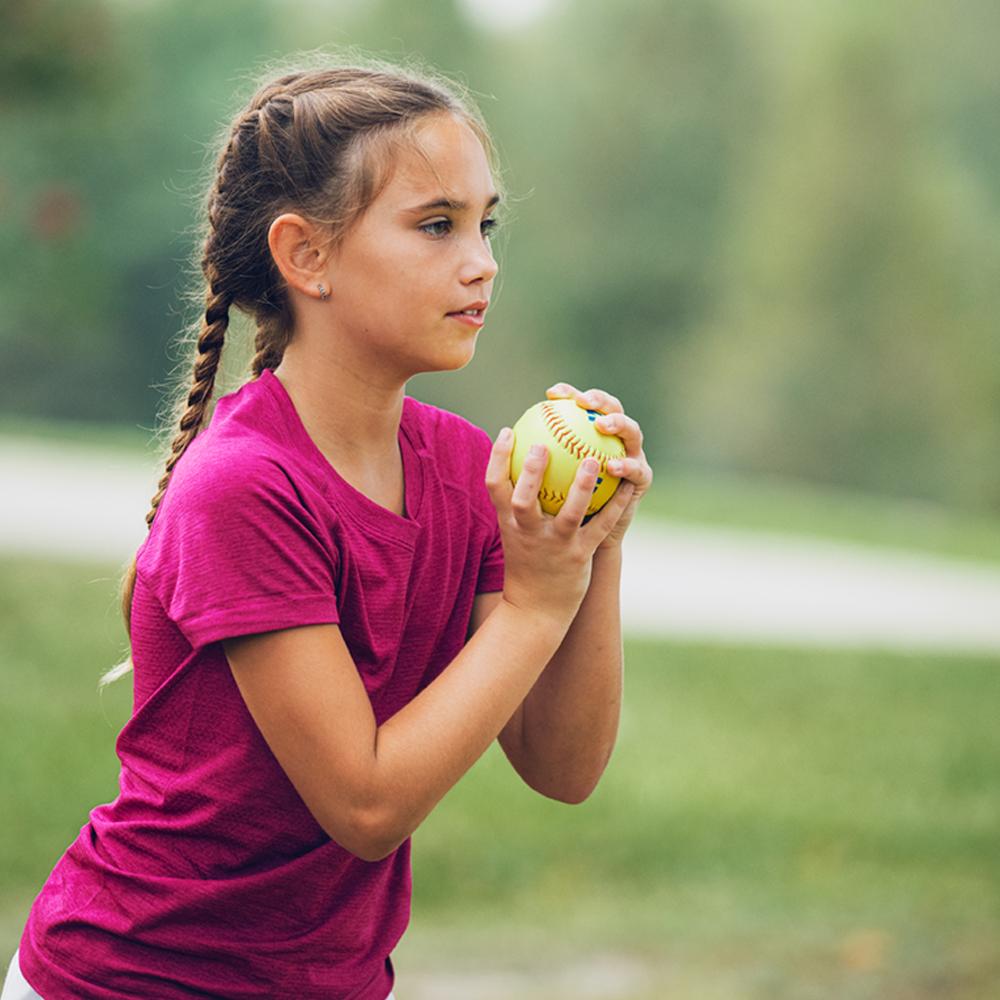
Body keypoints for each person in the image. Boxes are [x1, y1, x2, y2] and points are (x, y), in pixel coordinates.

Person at [4, 52, 652, 999]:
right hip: (132, 979)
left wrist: (595, 545)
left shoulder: (460, 471)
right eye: (436, 226)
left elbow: (563, 765)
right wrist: (535, 605)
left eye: (485, 224)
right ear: (306, 255)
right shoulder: (244, 488)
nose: (481, 262)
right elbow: (366, 800)